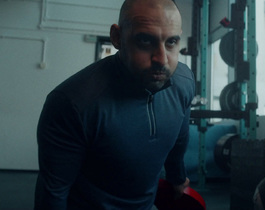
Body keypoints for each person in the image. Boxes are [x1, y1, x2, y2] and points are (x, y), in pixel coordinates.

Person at [34, 0, 195, 209]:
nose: (162, 59)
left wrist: (177, 178)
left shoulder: (183, 82)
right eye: (145, 41)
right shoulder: (71, 103)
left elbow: (179, 140)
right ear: (117, 37)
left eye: (171, 42)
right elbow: (53, 194)